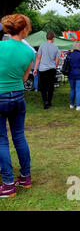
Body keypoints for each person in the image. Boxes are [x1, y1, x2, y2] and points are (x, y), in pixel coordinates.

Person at [0, 14, 34, 197]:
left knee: (1, 139)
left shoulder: (0, 46)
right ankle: (25, 177)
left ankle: (7, 184)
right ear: (24, 29)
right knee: (19, 136)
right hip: (18, 96)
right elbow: (24, 78)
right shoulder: (29, 52)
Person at [33, 31, 60, 109]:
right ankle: (50, 101)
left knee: (43, 87)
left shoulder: (41, 46)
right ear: (53, 38)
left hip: (43, 69)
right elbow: (57, 60)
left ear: (46, 38)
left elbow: (38, 58)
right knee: (51, 86)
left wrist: (35, 68)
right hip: (52, 69)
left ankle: (45, 102)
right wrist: (55, 66)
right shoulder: (56, 48)